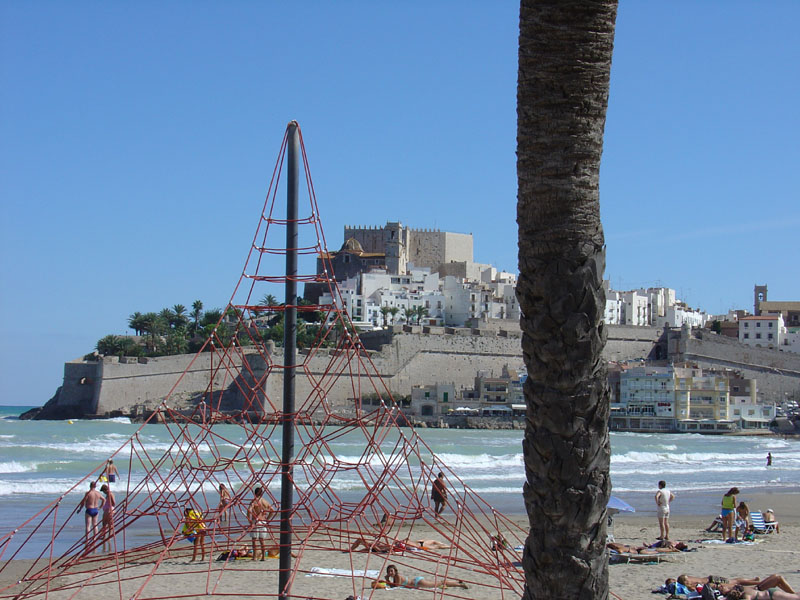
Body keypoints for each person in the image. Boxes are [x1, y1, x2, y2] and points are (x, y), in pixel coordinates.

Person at [373, 564, 468, 590]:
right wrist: (387, 580)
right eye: (389, 571)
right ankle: (457, 582)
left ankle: (459, 584)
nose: (390, 573)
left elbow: (396, 586)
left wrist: (386, 580)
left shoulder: (397, 576)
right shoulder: (394, 577)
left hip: (418, 582)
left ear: (395, 571)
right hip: (416, 581)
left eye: (391, 571)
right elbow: (394, 586)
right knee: (439, 582)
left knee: (440, 582)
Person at [247, 486, 276, 560]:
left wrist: (249, 520)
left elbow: (249, 510)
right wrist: (267, 519)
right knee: (262, 540)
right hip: (263, 521)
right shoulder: (265, 501)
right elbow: (272, 511)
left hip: (256, 521)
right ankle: (263, 557)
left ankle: (254, 557)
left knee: (254, 540)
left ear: (255, 493)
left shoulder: (254, 501)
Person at [76, 481, 104, 550]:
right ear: (95, 486)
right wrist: (100, 507)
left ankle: (87, 539)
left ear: (90, 486)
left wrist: (80, 509)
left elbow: (83, 502)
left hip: (89, 510)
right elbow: (104, 499)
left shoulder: (88, 493)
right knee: (95, 525)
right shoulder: (98, 493)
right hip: (95, 510)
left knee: (88, 525)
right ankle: (94, 538)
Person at [99, 484, 115, 552]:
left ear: (106, 489)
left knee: (110, 524)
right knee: (104, 524)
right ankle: (104, 536)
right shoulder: (108, 494)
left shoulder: (110, 494)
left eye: (103, 491)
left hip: (109, 510)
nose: (103, 493)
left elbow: (114, 503)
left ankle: (109, 537)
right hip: (107, 510)